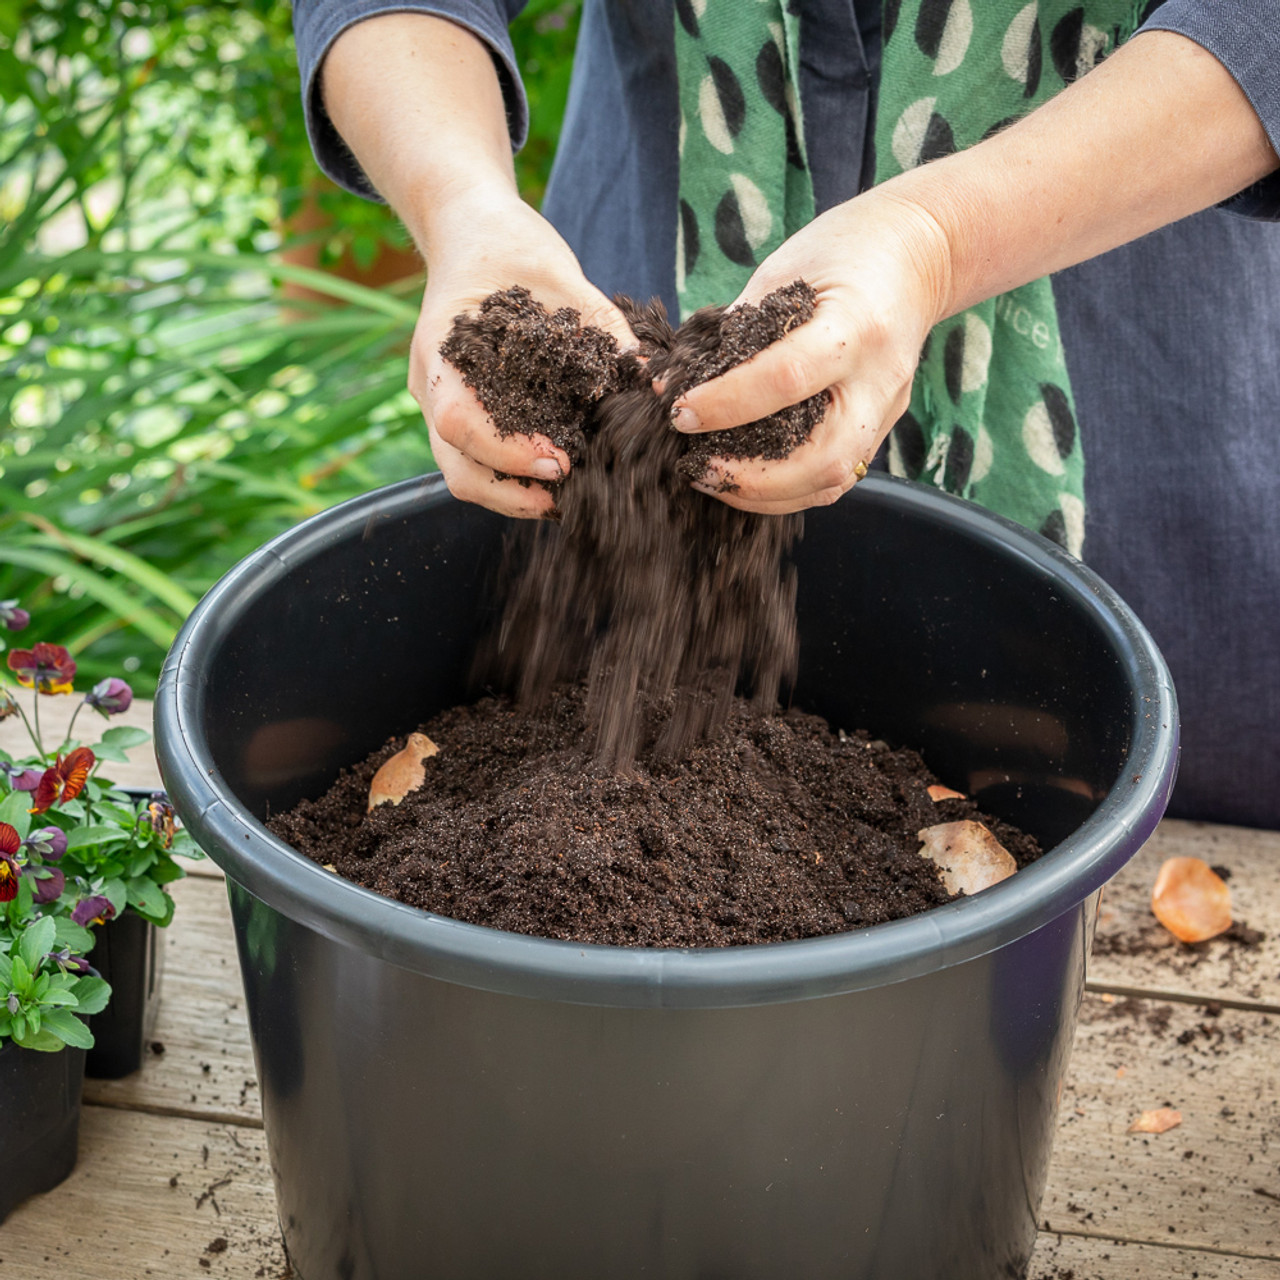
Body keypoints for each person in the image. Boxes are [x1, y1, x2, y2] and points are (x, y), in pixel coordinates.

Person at [292, 0, 1280, 831]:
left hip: (1135, 294)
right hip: (646, 266)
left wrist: (934, 238)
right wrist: (459, 201)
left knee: (1089, 808)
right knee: (604, 704)